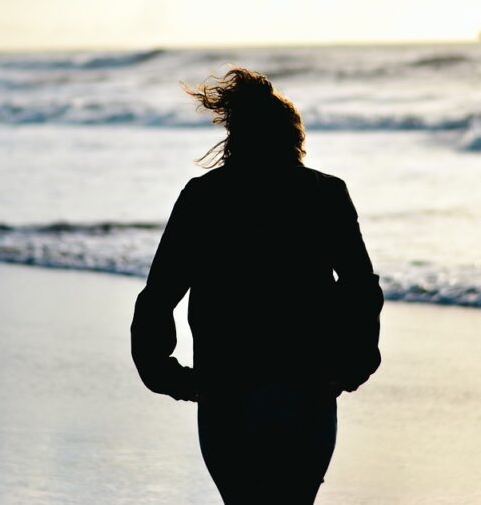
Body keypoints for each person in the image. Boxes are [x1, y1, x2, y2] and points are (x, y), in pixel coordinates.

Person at [131, 67, 383, 504]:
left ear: (234, 136)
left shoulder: (203, 196)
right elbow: (361, 289)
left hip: (225, 385)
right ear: (293, 136)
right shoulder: (326, 193)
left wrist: (166, 375)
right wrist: (352, 365)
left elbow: (159, 296)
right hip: (308, 384)